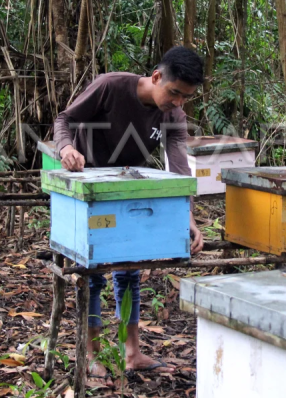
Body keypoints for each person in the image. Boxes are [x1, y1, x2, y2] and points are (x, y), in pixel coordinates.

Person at [53, 46, 204, 379]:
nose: (178, 103)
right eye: (174, 93)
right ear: (155, 77)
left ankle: (131, 352)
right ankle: (92, 354)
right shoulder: (111, 86)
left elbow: (179, 169)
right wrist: (66, 147)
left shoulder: (174, 116)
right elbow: (65, 118)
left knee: (130, 270)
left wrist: (188, 219)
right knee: (92, 274)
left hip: (127, 189)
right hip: (87, 187)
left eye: (185, 98)